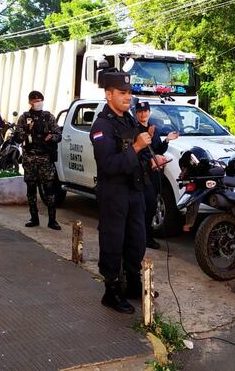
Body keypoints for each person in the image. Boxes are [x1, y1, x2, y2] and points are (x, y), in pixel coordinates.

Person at [90, 70, 152, 314]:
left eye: (130, 93)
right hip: (113, 193)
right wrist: (136, 148)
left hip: (134, 190)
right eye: (122, 93)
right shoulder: (101, 126)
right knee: (113, 242)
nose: (128, 97)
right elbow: (108, 165)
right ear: (108, 94)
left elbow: (140, 152)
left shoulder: (128, 120)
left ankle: (133, 284)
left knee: (137, 240)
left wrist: (151, 156)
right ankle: (112, 291)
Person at [13, 91, 62, 230]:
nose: (38, 102)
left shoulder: (48, 117)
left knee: (49, 189)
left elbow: (58, 135)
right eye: (35, 100)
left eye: (40, 100)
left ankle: (52, 220)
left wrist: (50, 137)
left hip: (45, 158)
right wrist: (27, 131)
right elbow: (17, 137)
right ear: (30, 102)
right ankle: (34, 218)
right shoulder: (24, 117)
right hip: (30, 157)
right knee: (31, 188)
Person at [134, 101, 178, 249]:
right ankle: (145, 237)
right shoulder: (135, 130)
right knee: (146, 206)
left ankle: (147, 235)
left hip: (155, 173)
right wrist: (151, 160)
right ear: (136, 113)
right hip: (143, 173)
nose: (143, 114)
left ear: (149, 112)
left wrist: (166, 140)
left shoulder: (154, 128)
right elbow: (138, 152)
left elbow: (158, 149)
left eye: (145, 111)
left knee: (153, 206)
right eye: (140, 111)